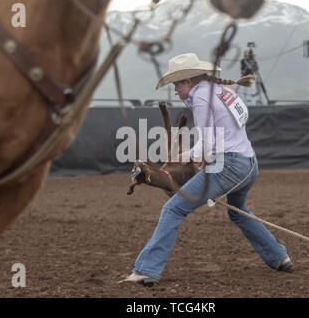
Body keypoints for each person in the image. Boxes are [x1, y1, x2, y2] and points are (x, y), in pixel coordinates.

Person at [120, 53, 292, 286]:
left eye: (176, 86)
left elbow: (208, 144)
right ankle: (279, 256)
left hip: (229, 166)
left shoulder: (201, 97)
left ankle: (146, 270)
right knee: (237, 210)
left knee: (173, 209)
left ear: (187, 82)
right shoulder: (221, 91)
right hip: (249, 165)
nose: (176, 92)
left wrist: (186, 156)